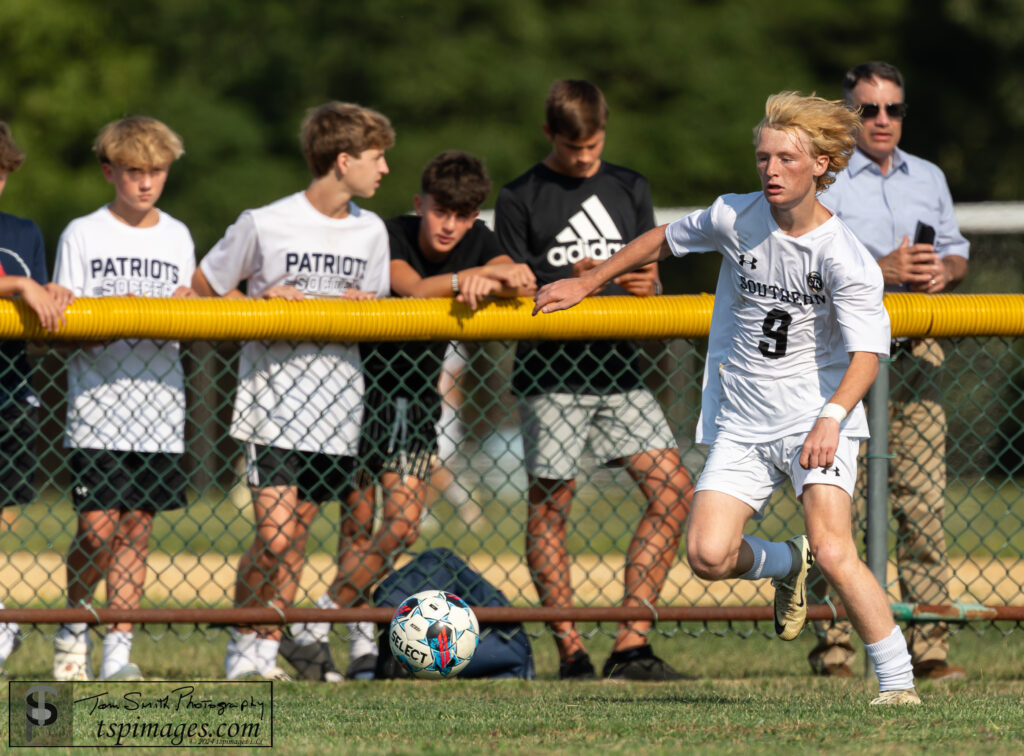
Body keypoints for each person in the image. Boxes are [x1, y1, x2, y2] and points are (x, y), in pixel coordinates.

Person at [534, 91, 922, 705]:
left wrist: (831, 418)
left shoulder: (844, 256)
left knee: (835, 547)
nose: (770, 169)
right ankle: (785, 564)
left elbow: (867, 357)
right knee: (708, 555)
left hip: (817, 421)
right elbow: (662, 237)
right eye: (764, 157)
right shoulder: (734, 216)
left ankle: (898, 684)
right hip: (743, 423)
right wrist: (589, 281)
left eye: (787, 159)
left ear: (820, 164)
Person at [287, 150, 536, 680]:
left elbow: (517, 276)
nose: (450, 225)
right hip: (362, 392)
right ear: (420, 204)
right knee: (356, 523)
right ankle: (357, 638)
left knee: (400, 525)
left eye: (464, 215)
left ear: (475, 217)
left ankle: (318, 619)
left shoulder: (476, 241)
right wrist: (469, 278)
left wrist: (494, 273)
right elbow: (415, 288)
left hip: (418, 399)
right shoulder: (389, 233)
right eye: (441, 211)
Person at [495, 79, 695, 681]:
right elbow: (511, 279)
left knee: (673, 491)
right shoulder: (520, 194)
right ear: (549, 134)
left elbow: (649, 273)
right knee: (553, 504)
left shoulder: (629, 185)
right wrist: (569, 272)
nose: (585, 158)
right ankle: (571, 651)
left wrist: (642, 284)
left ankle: (631, 646)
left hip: (618, 369)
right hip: (550, 372)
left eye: (595, 144)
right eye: (573, 147)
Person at [192, 101, 394, 682]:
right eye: (377, 159)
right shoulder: (266, 220)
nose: (384, 171)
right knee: (276, 537)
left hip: (338, 407)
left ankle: (270, 643)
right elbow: (205, 288)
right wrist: (258, 304)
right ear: (343, 159)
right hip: (273, 404)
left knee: (298, 535)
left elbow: (376, 307)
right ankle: (244, 647)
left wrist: (366, 311)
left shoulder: (371, 230)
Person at [806, 61, 969, 682]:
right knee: (834, 506)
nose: (881, 120)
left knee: (922, 504)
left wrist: (941, 273)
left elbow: (955, 253)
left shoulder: (927, 176)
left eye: (892, 109)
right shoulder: (823, 178)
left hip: (917, 351)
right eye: (868, 109)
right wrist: (882, 268)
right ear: (847, 113)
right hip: (844, 354)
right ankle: (836, 652)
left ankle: (929, 649)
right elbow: (809, 264)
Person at [52, 116, 196, 681]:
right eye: (134, 171)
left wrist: (182, 311)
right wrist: (120, 316)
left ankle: (118, 654)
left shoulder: (178, 235)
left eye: (156, 171)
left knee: (136, 528)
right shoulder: (84, 233)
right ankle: (72, 631)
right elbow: (64, 324)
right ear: (110, 171)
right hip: (99, 407)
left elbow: (189, 321)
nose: (145, 183)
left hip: (160, 406)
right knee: (96, 531)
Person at [0, 120, 75, 678]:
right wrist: (16, 285)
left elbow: (40, 309)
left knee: (4, 513)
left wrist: (47, 291)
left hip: (7, 390)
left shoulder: (24, 232)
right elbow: (19, 287)